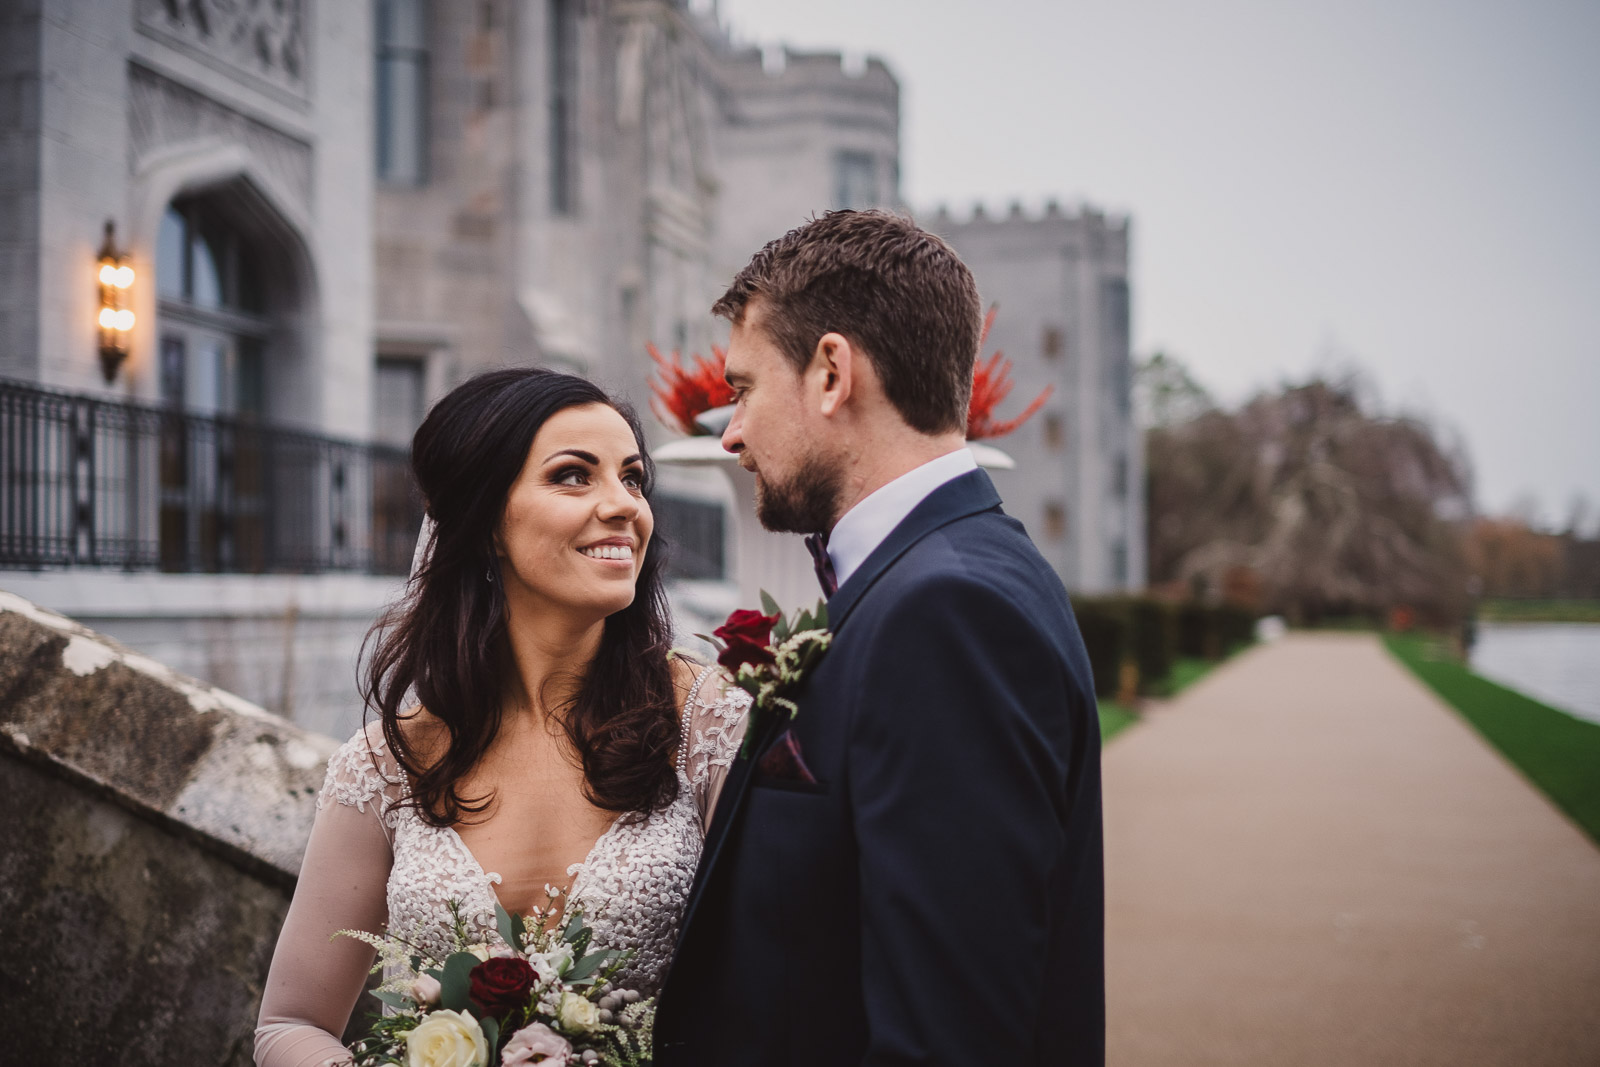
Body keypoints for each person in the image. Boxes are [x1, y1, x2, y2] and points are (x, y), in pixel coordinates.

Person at [654, 210, 1105, 1065]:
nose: (734, 431)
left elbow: (949, 1035)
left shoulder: (947, 614)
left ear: (831, 372)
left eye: (743, 388)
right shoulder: (940, 574)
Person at [254, 368, 749, 1067]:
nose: (623, 506)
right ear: (487, 519)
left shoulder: (707, 720)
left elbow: (785, 988)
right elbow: (287, 1024)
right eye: (575, 476)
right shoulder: (386, 764)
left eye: (632, 478)